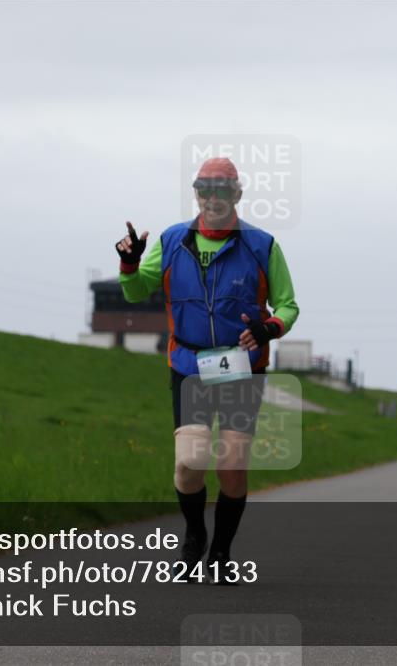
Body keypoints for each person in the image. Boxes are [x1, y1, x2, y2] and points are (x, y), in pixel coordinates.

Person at [114, 157, 299, 583]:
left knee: (232, 465)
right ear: (196, 193)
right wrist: (130, 264)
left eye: (222, 188)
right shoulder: (172, 240)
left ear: (237, 193)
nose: (212, 196)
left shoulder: (262, 245)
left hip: (240, 365)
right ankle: (194, 536)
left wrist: (270, 327)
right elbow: (138, 288)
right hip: (190, 363)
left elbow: (288, 304)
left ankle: (220, 553)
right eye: (204, 188)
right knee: (190, 462)